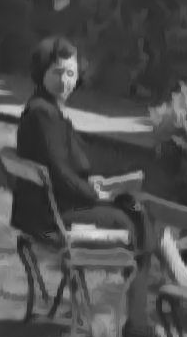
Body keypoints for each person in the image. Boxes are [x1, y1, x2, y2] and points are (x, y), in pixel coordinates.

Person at [11, 37, 136, 250]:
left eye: (70, 73)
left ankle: (168, 279)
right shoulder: (43, 114)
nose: (64, 81)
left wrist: (92, 183)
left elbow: (63, 168)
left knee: (136, 208)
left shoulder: (45, 109)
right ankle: (148, 281)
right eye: (57, 72)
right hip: (52, 219)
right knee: (134, 216)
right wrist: (95, 194)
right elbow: (58, 172)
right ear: (42, 73)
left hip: (47, 211)